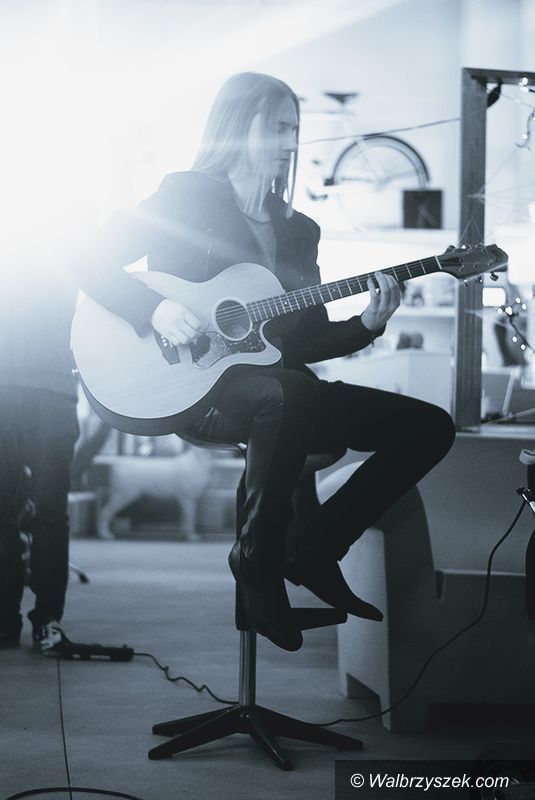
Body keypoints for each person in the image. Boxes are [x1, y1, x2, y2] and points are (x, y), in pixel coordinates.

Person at [73, 72, 456, 652]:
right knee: (291, 391)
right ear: (237, 125)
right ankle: (257, 562)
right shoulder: (187, 195)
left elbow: (304, 342)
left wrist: (367, 324)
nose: (289, 141)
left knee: (428, 427)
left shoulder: (299, 230)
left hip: (277, 393)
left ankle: (315, 546)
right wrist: (154, 308)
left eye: (294, 129)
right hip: (193, 391)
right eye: (276, 127)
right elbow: (87, 258)